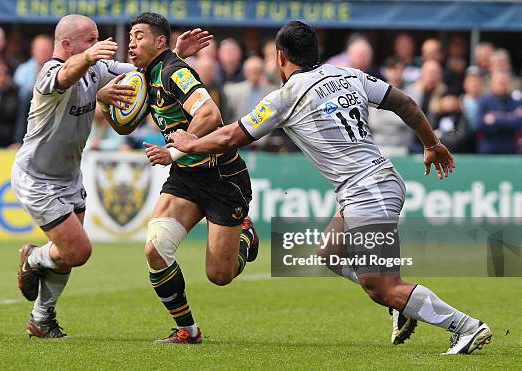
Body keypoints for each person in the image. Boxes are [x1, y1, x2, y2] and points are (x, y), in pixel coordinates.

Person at [168, 21, 492, 355]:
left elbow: (231, 136)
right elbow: (405, 103)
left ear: (280, 58)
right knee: (330, 253)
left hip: (368, 190)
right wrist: (432, 143)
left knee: (381, 284)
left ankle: (465, 327)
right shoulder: (349, 75)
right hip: (373, 183)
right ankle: (401, 305)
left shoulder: (285, 96)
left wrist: (190, 143)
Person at [12, 13, 212, 339]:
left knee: (65, 253)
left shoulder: (97, 69)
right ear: (67, 44)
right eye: (90, 40)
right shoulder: (48, 72)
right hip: (37, 176)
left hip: (69, 175)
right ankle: (32, 258)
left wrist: (174, 55)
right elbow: (63, 77)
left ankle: (41, 318)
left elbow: (147, 75)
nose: (99, 46)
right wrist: (89, 59)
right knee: (78, 251)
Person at [97, 12, 259, 344]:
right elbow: (125, 125)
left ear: (159, 41)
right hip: (186, 178)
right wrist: (103, 100)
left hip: (222, 177)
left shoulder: (174, 71)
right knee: (155, 250)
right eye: (130, 36)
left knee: (219, 275)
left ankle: (245, 235)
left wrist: (173, 152)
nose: (131, 42)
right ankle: (188, 329)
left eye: (139, 36)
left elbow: (210, 114)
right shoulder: (147, 75)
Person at [476, 70, 522, 154]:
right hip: (487, 150)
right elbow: (479, 124)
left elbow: (518, 124)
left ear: (510, 83)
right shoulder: (483, 101)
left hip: (510, 150)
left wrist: (495, 118)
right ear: (492, 83)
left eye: (505, 82)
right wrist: (509, 117)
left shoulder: (516, 102)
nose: (502, 85)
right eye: (499, 82)